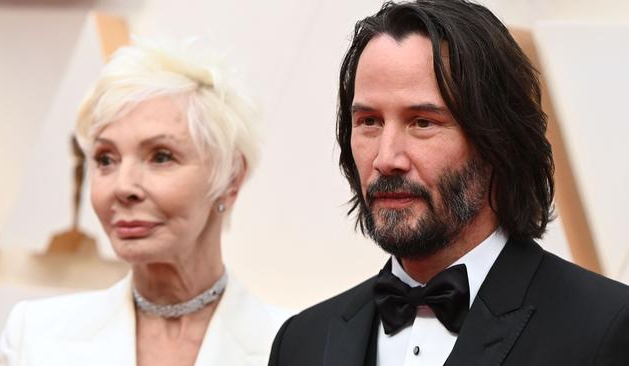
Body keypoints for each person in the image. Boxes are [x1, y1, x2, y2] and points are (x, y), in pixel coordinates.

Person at [268, 1, 629, 365]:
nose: (386, 158)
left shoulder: (605, 329)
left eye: (422, 122)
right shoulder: (301, 343)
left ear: (498, 141)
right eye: (369, 122)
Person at [0, 38, 289, 366]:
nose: (123, 186)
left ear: (230, 179)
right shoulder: (34, 338)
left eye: (161, 156)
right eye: (106, 159)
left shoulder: (300, 347)